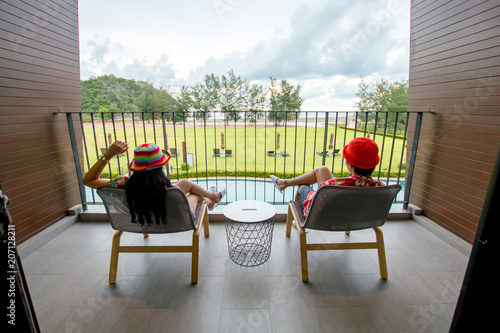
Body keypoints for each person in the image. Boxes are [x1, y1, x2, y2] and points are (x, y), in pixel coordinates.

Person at [82, 141, 226, 225]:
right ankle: (212, 198)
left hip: (143, 221)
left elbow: (88, 180)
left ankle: (213, 197)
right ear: (161, 166)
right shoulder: (169, 188)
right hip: (177, 219)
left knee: (186, 183)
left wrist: (108, 155)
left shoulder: (124, 184)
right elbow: (181, 191)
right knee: (197, 195)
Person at [270, 137, 384, 217]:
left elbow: (318, 198)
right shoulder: (379, 188)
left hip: (325, 215)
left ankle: (299, 220)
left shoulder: (333, 185)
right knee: (323, 169)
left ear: (350, 166)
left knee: (302, 186)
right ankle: (284, 183)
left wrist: (306, 188)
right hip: (355, 216)